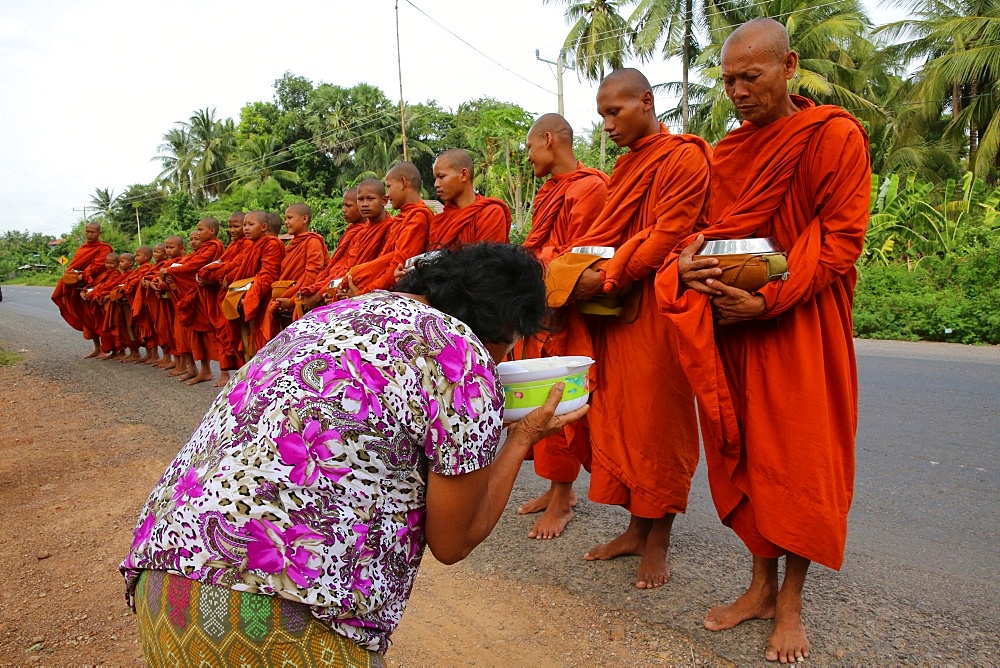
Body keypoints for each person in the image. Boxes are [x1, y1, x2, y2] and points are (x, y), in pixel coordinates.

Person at [120, 243, 587, 665]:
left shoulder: (331, 316)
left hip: (168, 587)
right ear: (504, 323)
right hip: (274, 620)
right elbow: (454, 542)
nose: (501, 360)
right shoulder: (461, 355)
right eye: (507, 345)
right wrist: (522, 437)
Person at [655, 19, 870, 663]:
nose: (738, 91)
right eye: (728, 80)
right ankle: (757, 587)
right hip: (732, 322)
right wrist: (686, 266)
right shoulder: (727, 152)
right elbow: (699, 233)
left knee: (800, 458)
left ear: (789, 66)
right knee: (745, 451)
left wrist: (769, 300)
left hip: (802, 323)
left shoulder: (832, 136)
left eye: (751, 76)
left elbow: (839, 240)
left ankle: (792, 602)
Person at [547, 68, 711, 589]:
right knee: (621, 417)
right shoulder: (627, 168)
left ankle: (658, 541)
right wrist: (573, 268)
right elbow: (605, 233)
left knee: (657, 421)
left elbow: (671, 232)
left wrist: (609, 276)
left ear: (647, 101)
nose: (608, 125)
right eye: (601, 117)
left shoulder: (684, 156)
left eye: (615, 112)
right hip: (614, 315)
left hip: (658, 306)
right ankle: (635, 529)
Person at [516, 113, 609, 539]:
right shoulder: (550, 191)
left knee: (563, 393)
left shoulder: (588, 188)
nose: (528, 155)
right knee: (539, 391)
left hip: (567, 307)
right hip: (543, 302)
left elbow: (581, 253)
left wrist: (531, 267)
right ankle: (556, 489)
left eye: (531, 146)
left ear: (548, 140)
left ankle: (563, 495)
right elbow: (543, 242)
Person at [340, 162, 432, 297]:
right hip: (377, 291)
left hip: (395, 294)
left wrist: (364, 293)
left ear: (403, 182)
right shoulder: (400, 220)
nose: (388, 194)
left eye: (389, 186)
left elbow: (397, 266)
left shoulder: (417, 217)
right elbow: (381, 263)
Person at [162, 219, 225, 385]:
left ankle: (224, 374)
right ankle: (202, 370)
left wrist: (169, 270)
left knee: (215, 332)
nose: (196, 236)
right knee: (194, 333)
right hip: (195, 295)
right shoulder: (204, 248)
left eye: (200, 230)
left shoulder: (214, 246)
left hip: (208, 295)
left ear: (211, 231)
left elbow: (194, 266)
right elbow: (189, 263)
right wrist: (171, 272)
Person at [223, 210, 285, 362]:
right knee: (250, 346)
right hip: (252, 295)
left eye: (251, 224)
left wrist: (249, 298)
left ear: (264, 227)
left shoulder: (272, 244)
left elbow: (268, 275)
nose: (246, 228)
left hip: (264, 299)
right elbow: (243, 270)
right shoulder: (252, 246)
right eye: (244, 225)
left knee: (265, 346)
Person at [198, 212, 251, 386]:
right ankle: (225, 373)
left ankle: (246, 374)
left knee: (241, 337)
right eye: (230, 226)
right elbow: (222, 264)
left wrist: (210, 273)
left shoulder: (249, 245)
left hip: (238, 295)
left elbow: (234, 266)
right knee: (224, 334)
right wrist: (205, 273)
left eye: (236, 226)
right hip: (223, 295)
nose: (232, 230)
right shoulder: (233, 245)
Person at [261, 203, 328, 340]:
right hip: (287, 298)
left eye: (290, 218)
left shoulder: (312, 241)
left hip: (302, 301)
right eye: (285, 218)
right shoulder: (292, 244)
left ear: (304, 219)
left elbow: (313, 274)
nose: (286, 222)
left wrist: (295, 300)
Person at [51, 221, 113, 358]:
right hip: (81, 287)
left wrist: (81, 276)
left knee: (98, 317)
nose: (89, 234)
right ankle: (97, 347)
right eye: (87, 231)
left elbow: (98, 266)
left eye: (93, 232)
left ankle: (106, 349)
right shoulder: (82, 249)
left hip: (96, 285)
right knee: (87, 317)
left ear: (99, 233)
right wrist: (70, 277)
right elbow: (74, 264)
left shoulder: (104, 248)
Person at [297, 189, 365, 314]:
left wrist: (320, 294)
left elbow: (349, 269)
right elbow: (336, 265)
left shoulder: (363, 233)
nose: (343, 210)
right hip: (329, 284)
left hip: (343, 289)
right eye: (342, 205)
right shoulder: (351, 231)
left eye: (348, 206)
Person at [428, 148, 510, 247]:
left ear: (464, 175)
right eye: (435, 178)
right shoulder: (440, 221)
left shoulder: (490, 213)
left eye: (441, 177)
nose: (436, 184)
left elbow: (487, 259)